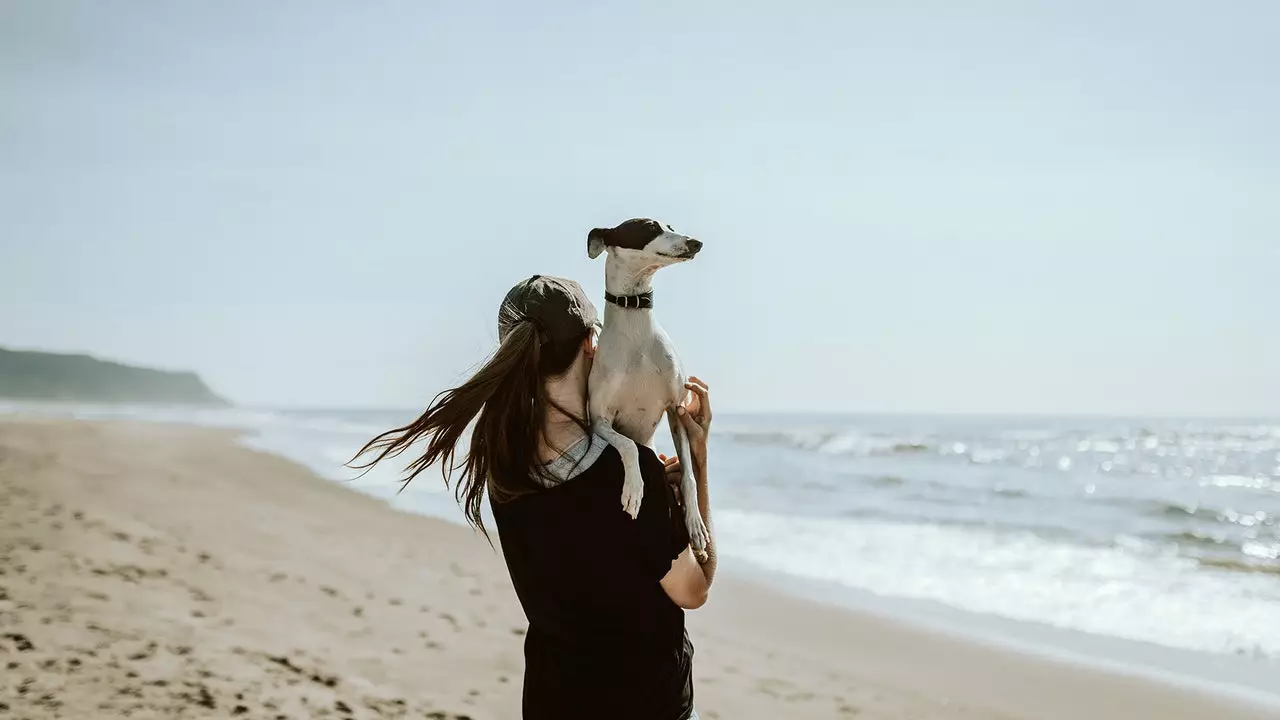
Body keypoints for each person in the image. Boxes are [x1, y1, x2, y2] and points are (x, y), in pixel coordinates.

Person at [349, 275, 716, 720]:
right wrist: (697, 462)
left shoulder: (503, 466)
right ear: (590, 345)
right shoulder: (629, 470)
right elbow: (694, 590)